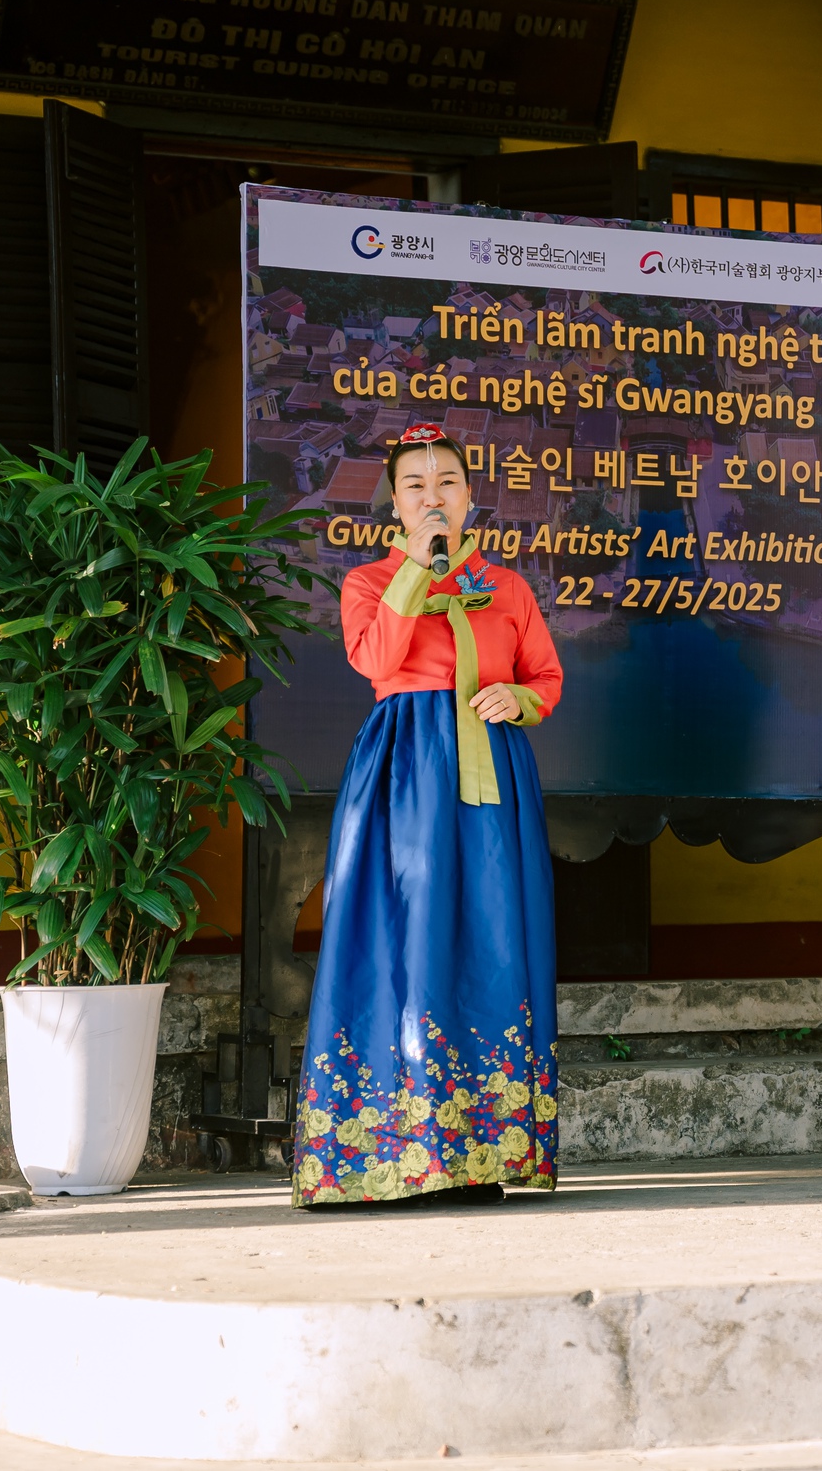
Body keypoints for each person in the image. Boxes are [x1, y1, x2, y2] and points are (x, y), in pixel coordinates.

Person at [292, 422, 566, 1210]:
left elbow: (545, 676)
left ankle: (482, 1150)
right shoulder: (371, 582)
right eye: (416, 485)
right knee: (401, 938)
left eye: (447, 481)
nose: (433, 495)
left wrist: (518, 696)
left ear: (471, 497)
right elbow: (376, 660)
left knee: (492, 938)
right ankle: (395, 1148)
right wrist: (418, 569)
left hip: (491, 778)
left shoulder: (508, 586)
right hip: (405, 777)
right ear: (396, 506)